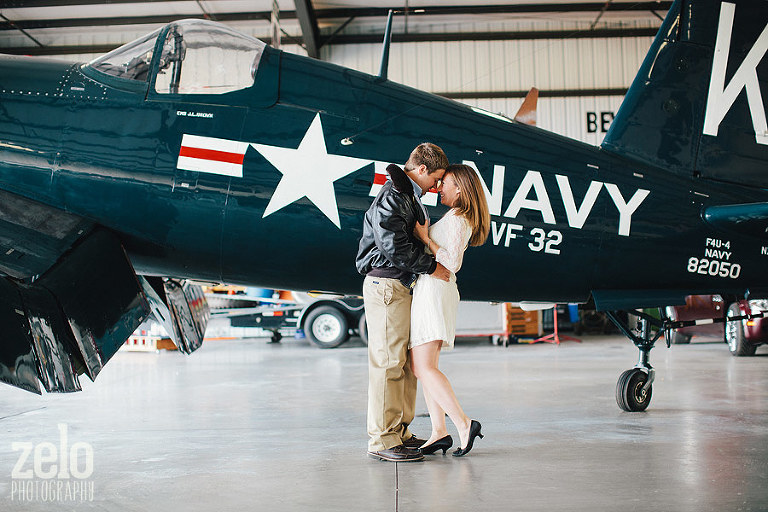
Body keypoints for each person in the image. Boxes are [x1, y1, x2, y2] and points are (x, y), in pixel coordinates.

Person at [355, 143, 451, 462]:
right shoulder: (395, 194)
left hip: (399, 283)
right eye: (435, 178)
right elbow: (392, 244)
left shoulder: (407, 194)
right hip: (387, 284)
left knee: (405, 363)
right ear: (421, 169)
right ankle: (382, 440)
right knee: (388, 362)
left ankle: (399, 431)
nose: (436, 186)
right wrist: (432, 266)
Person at [409, 163, 491, 457]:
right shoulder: (455, 216)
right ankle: (438, 432)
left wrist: (425, 238)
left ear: (460, 188)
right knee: (425, 366)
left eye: (445, 182)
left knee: (423, 366)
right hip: (431, 290)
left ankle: (464, 424)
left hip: (435, 291)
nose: (439, 187)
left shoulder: (458, 218)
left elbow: (452, 261)